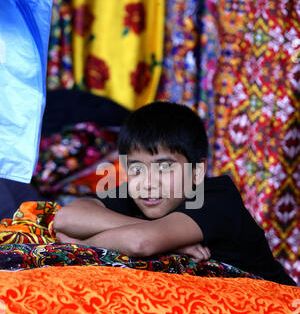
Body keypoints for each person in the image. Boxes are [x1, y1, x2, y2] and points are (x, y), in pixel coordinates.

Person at [54, 101, 296, 286]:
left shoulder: (216, 197)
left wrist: (81, 243)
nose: (148, 183)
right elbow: (66, 219)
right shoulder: (137, 191)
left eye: (165, 167)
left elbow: (142, 242)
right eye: (136, 168)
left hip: (279, 313)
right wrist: (162, 240)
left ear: (197, 172)